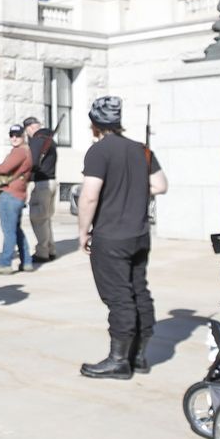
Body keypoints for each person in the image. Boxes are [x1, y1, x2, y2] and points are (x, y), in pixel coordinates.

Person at [76, 96, 167, 380]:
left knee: (118, 298)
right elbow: (160, 185)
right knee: (139, 290)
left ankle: (118, 361)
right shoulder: (141, 150)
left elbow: (90, 195)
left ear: (94, 123)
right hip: (139, 234)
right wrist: (132, 190)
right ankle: (138, 355)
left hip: (111, 235)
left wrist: (82, 232)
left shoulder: (98, 152)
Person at [0, 125, 34, 275]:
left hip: (10, 195)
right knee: (16, 230)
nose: (14, 138)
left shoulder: (19, 151)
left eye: (18, 135)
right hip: (18, 195)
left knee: (9, 232)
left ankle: (5, 264)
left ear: (23, 136)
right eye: (12, 135)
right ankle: (26, 261)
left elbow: (4, 168)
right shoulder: (25, 150)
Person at [22, 116, 59, 263]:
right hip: (51, 181)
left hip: (42, 183)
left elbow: (33, 161)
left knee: (38, 218)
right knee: (45, 219)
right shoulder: (49, 139)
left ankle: (42, 252)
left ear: (30, 128)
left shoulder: (38, 139)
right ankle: (50, 249)